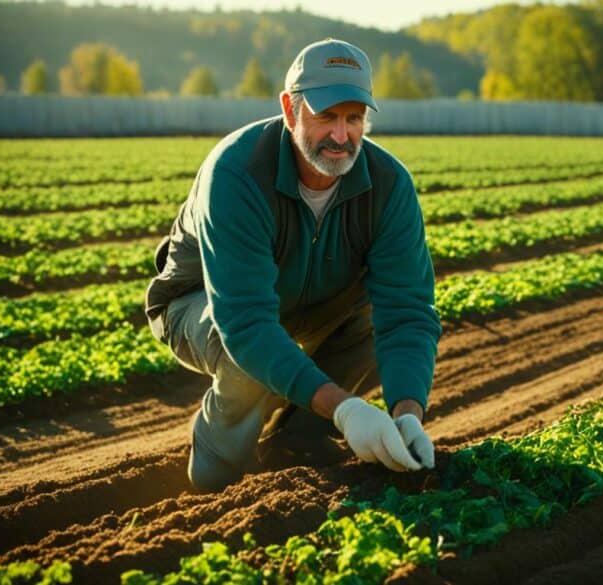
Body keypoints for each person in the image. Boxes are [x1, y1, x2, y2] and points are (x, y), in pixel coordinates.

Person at [144, 39, 442, 492]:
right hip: (199, 304)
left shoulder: (389, 185)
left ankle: (298, 443)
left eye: (354, 118)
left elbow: (408, 312)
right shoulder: (238, 172)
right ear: (289, 109)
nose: (341, 136)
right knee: (247, 359)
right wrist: (345, 408)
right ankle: (215, 476)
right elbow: (245, 324)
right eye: (326, 116)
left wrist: (408, 413)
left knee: (376, 322)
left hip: (310, 303)